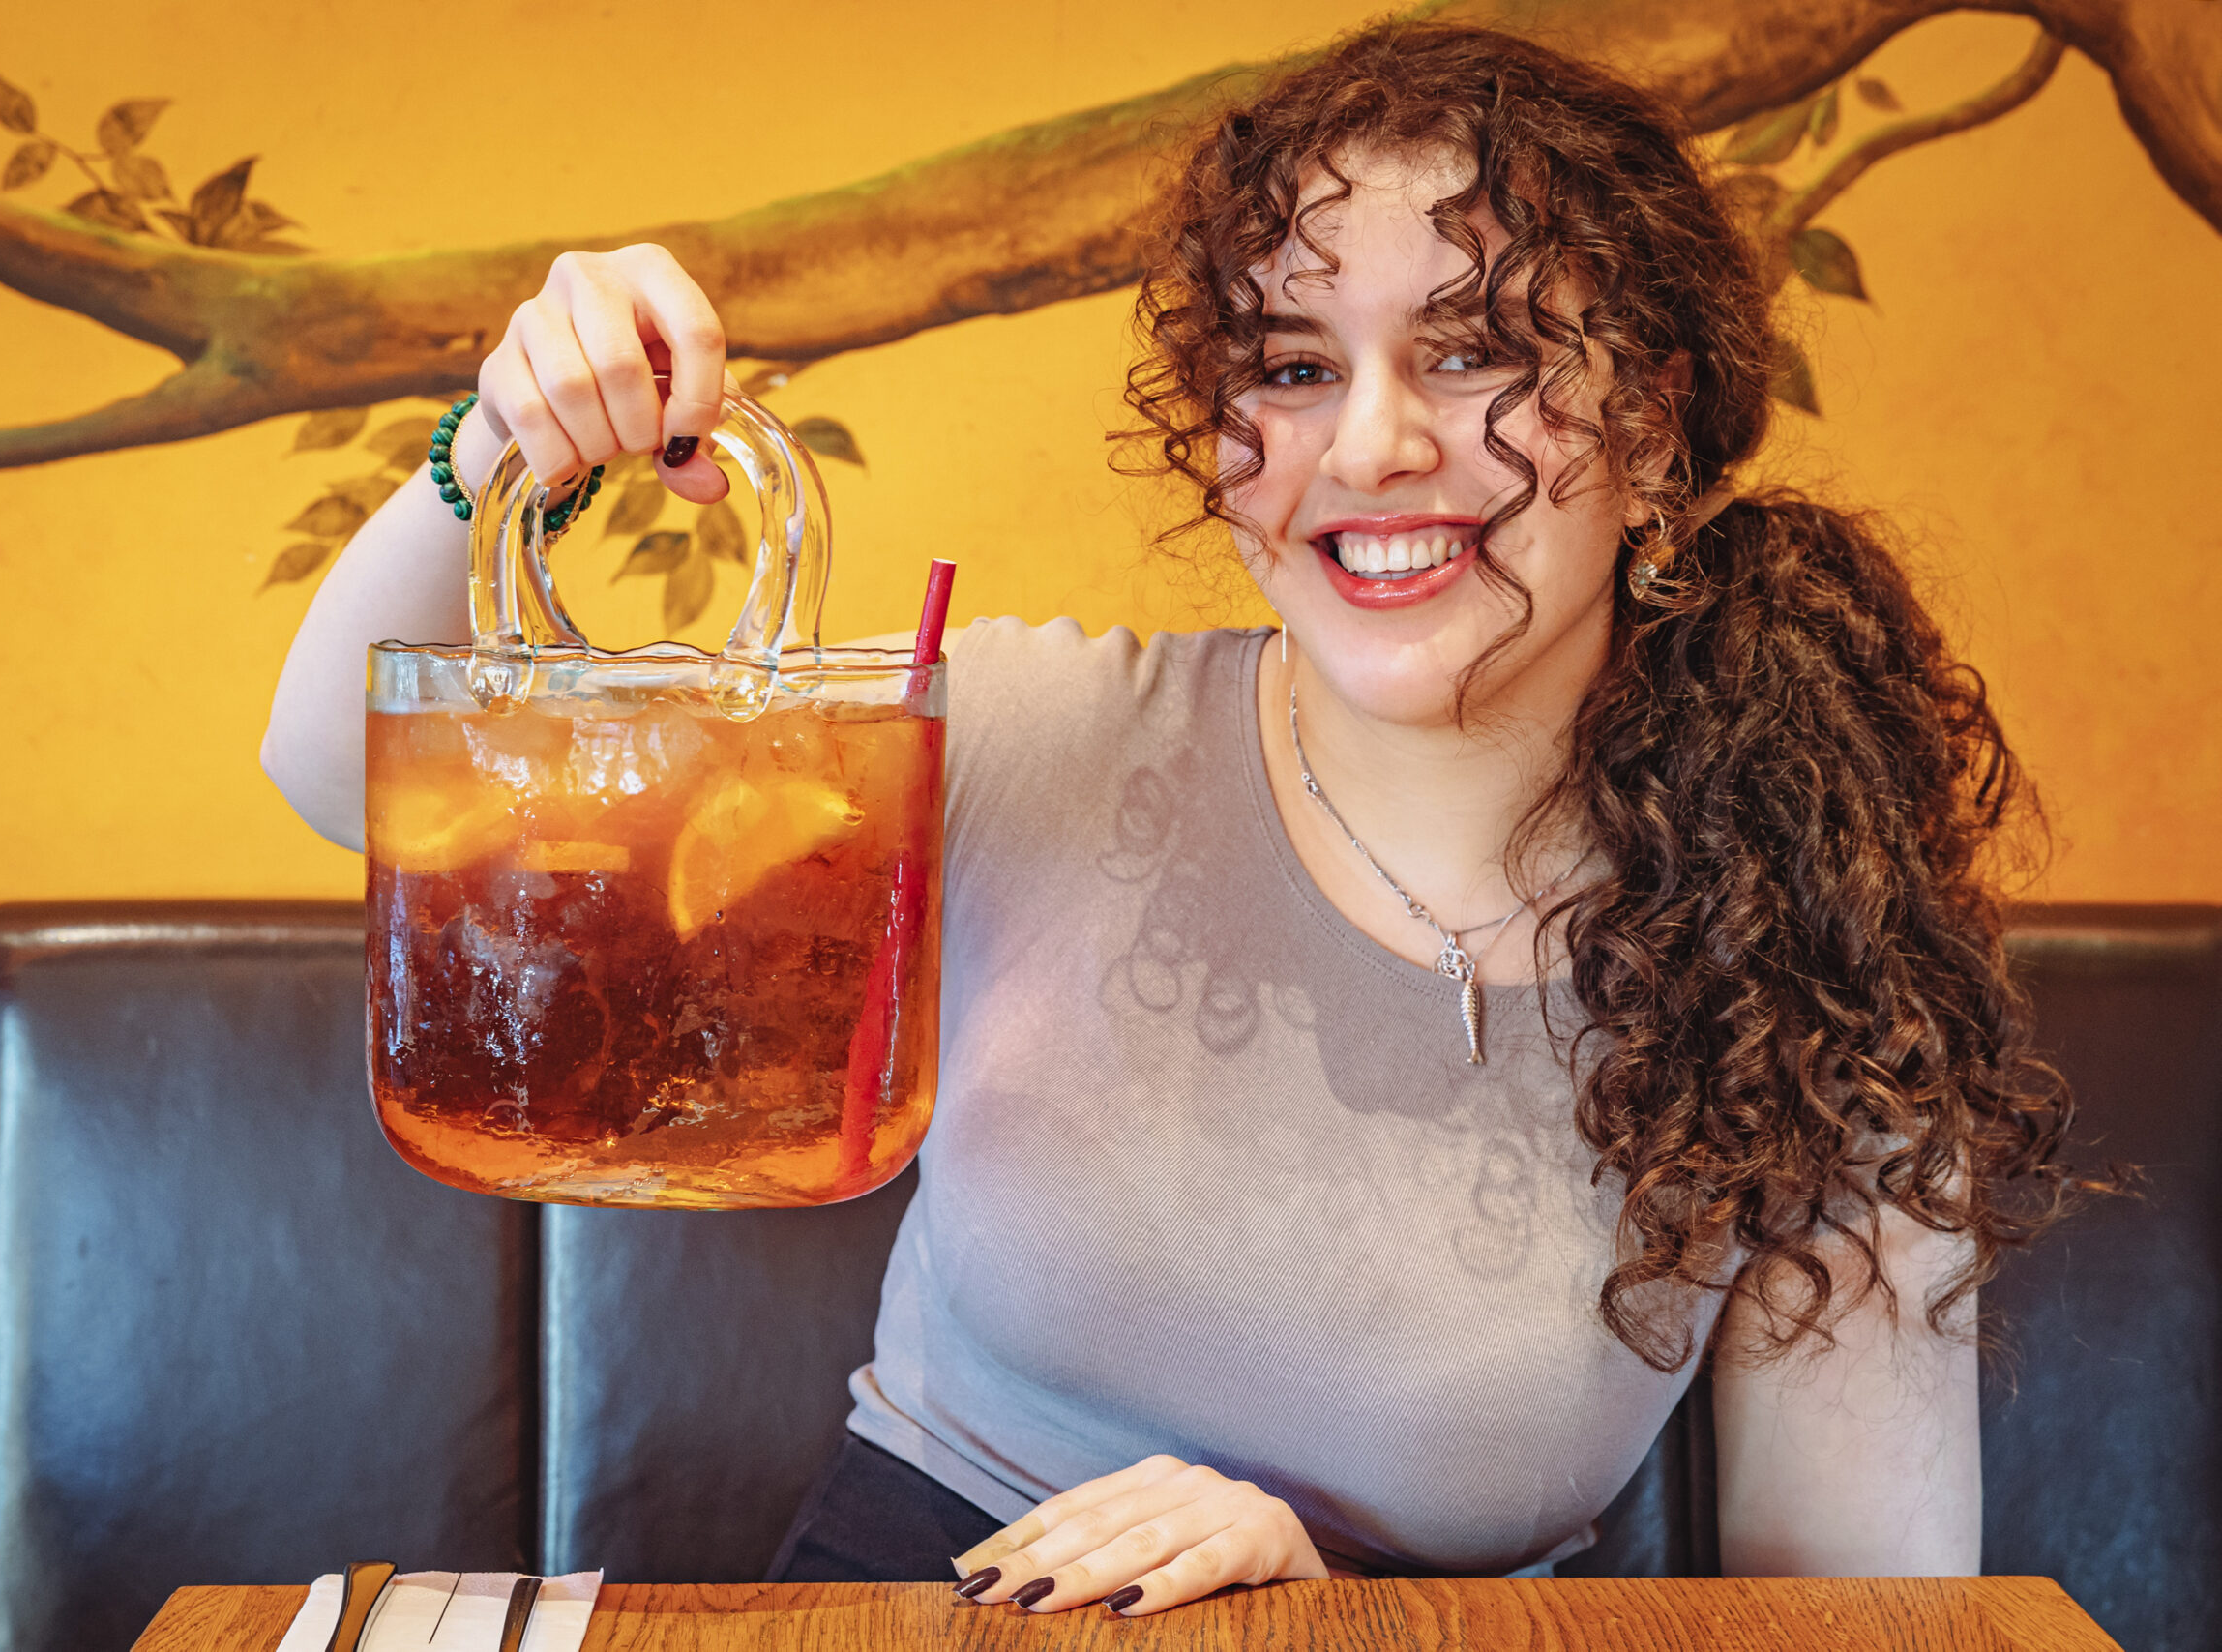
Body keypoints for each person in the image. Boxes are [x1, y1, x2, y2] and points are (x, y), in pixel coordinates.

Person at [261, 20, 2088, 1616]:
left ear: (1660, 420)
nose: (1366, 448)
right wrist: (505, 435)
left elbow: (1863, 1623)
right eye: (1293, 368)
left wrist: (1332, 1610)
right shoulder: (1030, 728)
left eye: (1472, 354)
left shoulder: (1821, 949)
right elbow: (339, 775)